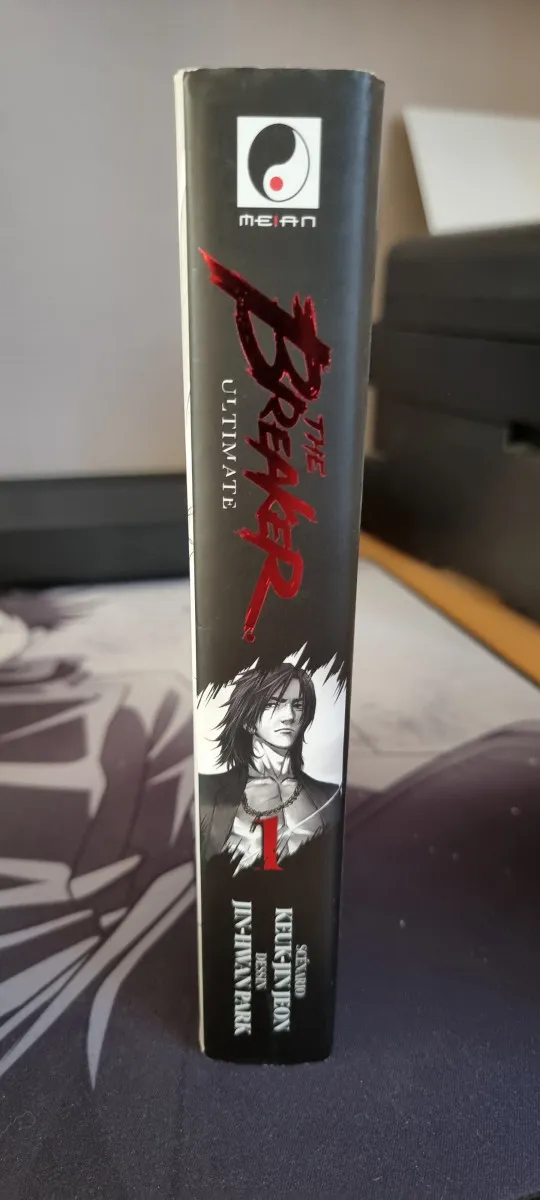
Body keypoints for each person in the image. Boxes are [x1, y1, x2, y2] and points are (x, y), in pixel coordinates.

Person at [199, 663, 340, 870]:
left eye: (297, 705)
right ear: (248, 721)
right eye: (274, 704)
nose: (289, 716)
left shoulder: (330, 796)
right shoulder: (207, 793)